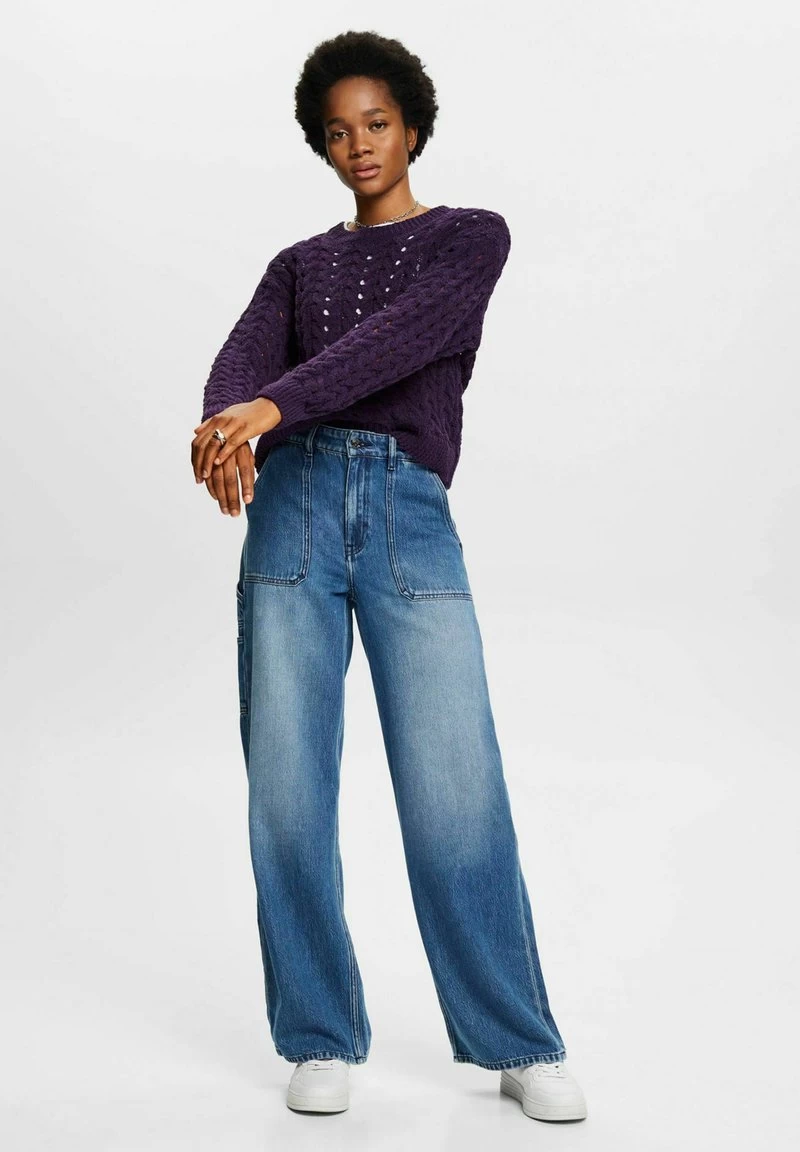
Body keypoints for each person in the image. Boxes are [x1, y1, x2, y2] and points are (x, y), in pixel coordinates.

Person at [191, 29, 588, 1123]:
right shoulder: (297, 265)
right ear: (320, 147)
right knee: (286, 785)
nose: (359, 144)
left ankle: (516, 1039)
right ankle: (318, 1032)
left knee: (455, 783)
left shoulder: (468, 238)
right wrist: (224, 423)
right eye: (337, 131)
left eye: (376, 123)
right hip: (291, 514)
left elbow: (402, 342)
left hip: (407, 513)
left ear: (412, 126)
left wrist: (271, 404)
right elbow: (240, 362)